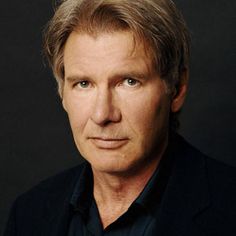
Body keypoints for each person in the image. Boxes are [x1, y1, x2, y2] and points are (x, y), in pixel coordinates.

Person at [4, 0, 236, 235]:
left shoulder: (229, 210)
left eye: (129, 81)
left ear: (176, 88)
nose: (102, 114)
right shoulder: (27, 215)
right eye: (83, 84)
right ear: (62, 92)